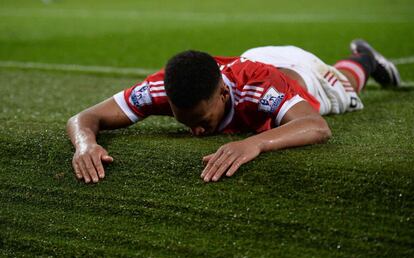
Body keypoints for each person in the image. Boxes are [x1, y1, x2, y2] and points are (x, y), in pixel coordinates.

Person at [67, 39, 401, 184]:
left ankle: (367, 59)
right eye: (185, 123)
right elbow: (82, 118)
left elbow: (316, 126)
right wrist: (86, 144)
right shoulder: (164, 89)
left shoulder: (260, 90)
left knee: (347, 87)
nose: (196, 132)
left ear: (225, 94)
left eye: (202, 122)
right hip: (255, 56)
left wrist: (253, 143)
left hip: (304, 75)